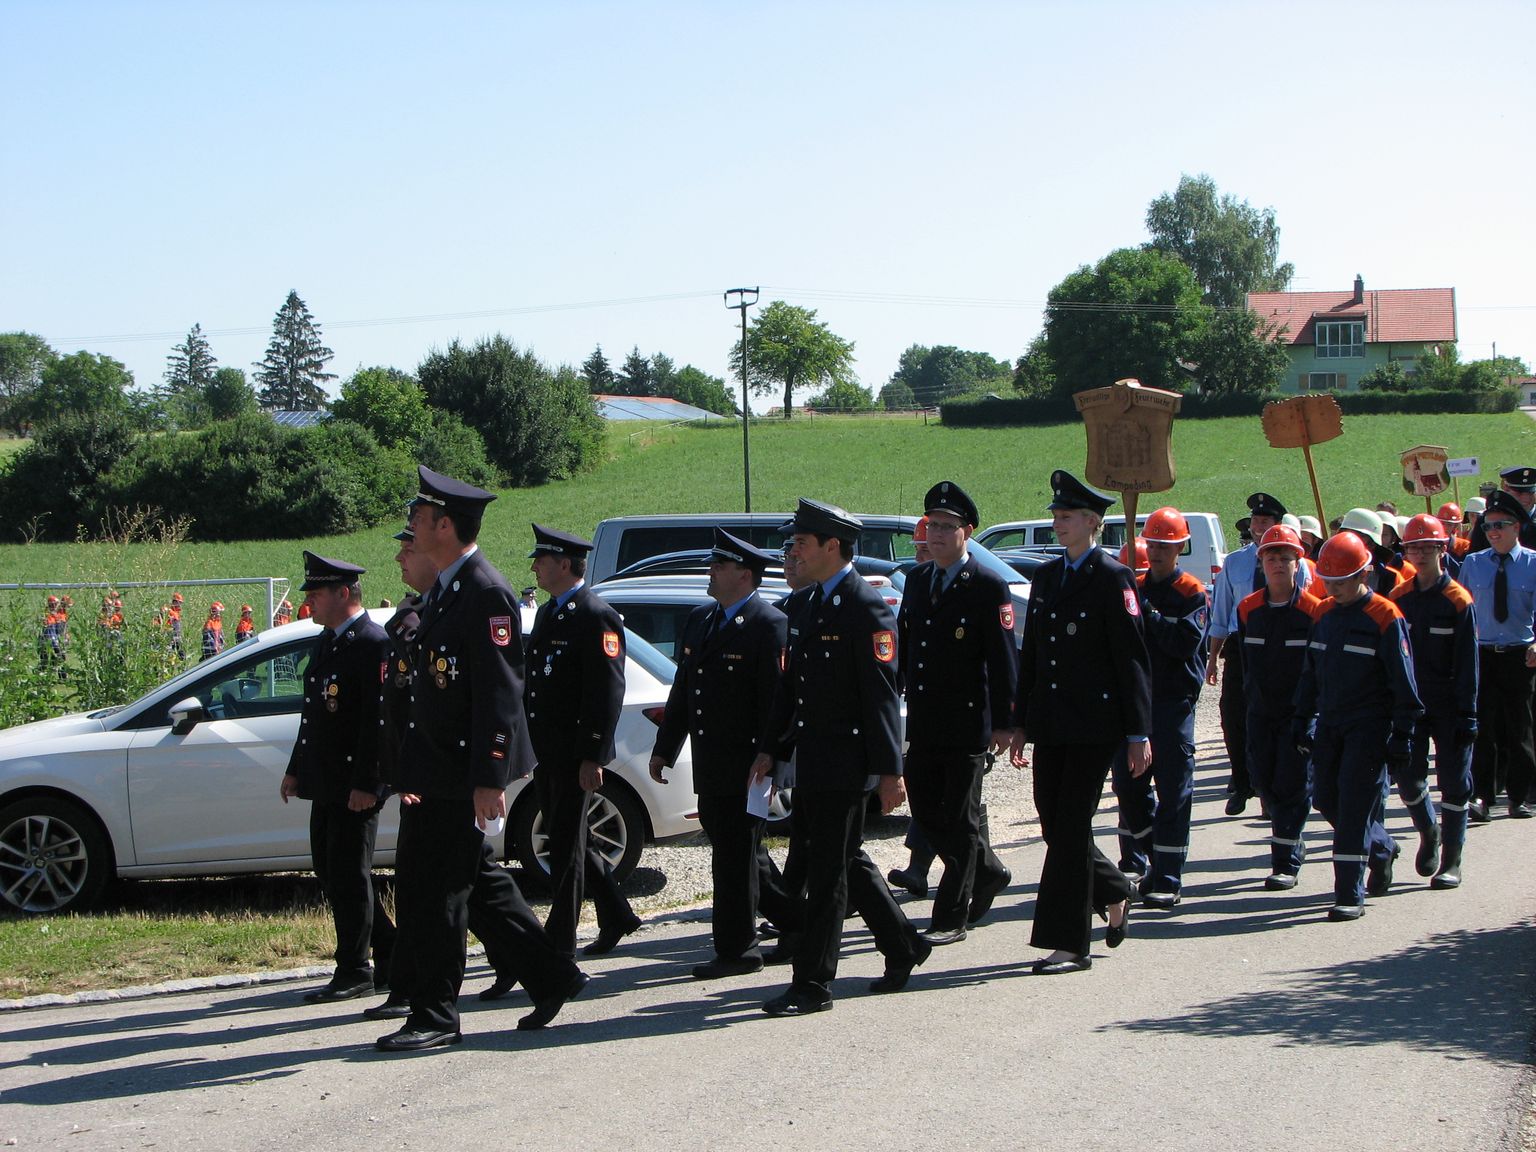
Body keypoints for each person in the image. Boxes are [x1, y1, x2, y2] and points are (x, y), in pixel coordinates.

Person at [381, 467, 587, 1052]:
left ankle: (436, 1016)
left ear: (445, 526)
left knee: (438, 893)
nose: (411, 528)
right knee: (479, 887)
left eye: (419, 519)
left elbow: (500, 692)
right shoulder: (448, 588)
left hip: (461, 772)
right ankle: (553, 975)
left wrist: (489, 777)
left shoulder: (484, 590)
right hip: (436, 768)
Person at [751, 498, 931, 1014]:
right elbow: (792, 688)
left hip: (847, 762)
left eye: (802, 544)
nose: (794, 553)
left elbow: (881, 697)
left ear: (832, 546)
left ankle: (812, 984)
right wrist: (770, 748)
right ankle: (904, 944)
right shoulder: (809, 603)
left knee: (829, 873)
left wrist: (890, 772)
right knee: (844, 859)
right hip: (814, 757)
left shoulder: (865, 606)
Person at [1009, 472, 1151, 973]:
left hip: (1095, 723)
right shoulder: (1048, 577)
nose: (1058, 523)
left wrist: (1138, 732)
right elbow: (1032, 655)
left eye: (1067, 516)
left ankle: (1070, 943)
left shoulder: (1113, 577)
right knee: (1054, 821)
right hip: (1051, 721)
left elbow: (1132, 659)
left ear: (1093, 522)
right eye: (1056, 515)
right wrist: (1020, 721)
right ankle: (1114, 889)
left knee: (1070, 825)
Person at [649, 529, 793, 978]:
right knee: (744, 855)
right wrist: (664, 748)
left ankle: (738, 950)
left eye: (720, 566)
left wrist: (770, 755)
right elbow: (684, 690)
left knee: (733, 859)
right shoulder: (701, 619)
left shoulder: (768, 624)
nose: (710, 572)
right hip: (711, 762)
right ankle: (800, 924)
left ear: (744, 575)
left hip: (749, 765)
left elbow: (777, 701)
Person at [279, 551, 395, 1004]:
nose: (309, 602)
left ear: (343, 593)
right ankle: (389, 950)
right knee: (332, 872)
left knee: (349, 875)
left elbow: (379, 723)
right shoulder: (329, 641)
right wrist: (295, 769)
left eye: (316, 593)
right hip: (326, 781)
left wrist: (370, 784)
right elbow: (314, 715)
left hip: (355, 784)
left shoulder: (372, 644)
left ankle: (354, 968)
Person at [525, 523, 642, 958]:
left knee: (566, 848)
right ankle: (616, 914)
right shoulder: (549, 612)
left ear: (564, 564)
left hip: (575, 753)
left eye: (541, 560)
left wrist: (593, 755)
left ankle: (560, 943)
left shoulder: (595, 615)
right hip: (547, 750)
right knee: (570, 838)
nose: (535, 568)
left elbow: (606, 691)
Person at [1293, 532, 1423, 921]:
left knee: (1352, 808)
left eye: (1340, 582)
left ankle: (1349, 894)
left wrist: (1402, 735)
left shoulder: (1386, 616)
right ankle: (1381, 847)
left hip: (1369, 726)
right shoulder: (1323, 614)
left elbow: (1404, 682)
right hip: (1330, 723)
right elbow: (1310, 672)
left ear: (1363, 575)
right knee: (1325, 798)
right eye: (1328, 581)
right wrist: (1302, 718)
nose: (1332, 589)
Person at [1111, 507, 1207, 908]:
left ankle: (1168, 877)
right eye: (1152, 544)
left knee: (1173, 790)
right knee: (1128, 788)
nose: (1157, 551)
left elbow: (1183, 644)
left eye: (1165, 546)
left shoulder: (1192, 592)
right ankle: (1156, 857)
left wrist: (1148, 614)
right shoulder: (1134, 586)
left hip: (1173, 702)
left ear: (1180, 547)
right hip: (1136, 703)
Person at [1208, 493, 1311, 815]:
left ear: (1277, 524)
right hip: (1242, 643)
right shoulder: (1235, 562)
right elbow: (1222, 611)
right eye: (1254, 521)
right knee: (1233, 714)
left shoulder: (1294, 561)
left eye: (1264, 521)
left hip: (1283, 639)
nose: (1257, 526)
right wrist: (1212, 658)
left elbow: (1305, 603)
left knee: (1275, 714)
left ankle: (1271, 790)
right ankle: (1242, 783)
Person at [1390, 514, 1479, 887]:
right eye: (1415, 547)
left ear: (1443, 549)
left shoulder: (1458, 600)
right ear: (1406, 551)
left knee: (1454, 783)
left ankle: (1452, 860)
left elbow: (1469, 663)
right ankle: (1429, 831)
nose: (1421, 553)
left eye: (1429, 547)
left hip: (1450, 704)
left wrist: (1468, 714)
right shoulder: (1398, 598)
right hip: (1411, 704)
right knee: (1408, 779)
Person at [1235, 525, 1324, 889]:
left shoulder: (1314, 611)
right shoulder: (1248, 609)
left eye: (1285, 558)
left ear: (1297, 563)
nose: (1277, 564)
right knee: (1263, 782)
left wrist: (1311, 714)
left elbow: (1318, 668)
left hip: (1297, 713)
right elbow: (1245, 664)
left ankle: (1285, 861)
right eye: (1271, 557)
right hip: (1260, 712)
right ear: (1261, 562)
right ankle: (1290, 841)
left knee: (1292, 784)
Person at [1459, 489, 1536, 822]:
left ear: (1516, 527)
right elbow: (1462, 610)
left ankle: (1518, 797)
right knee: (1483, 728)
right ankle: (1482, 796)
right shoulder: (1474, 564)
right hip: (1484, 654)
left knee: (1520, 728)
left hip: (1520, 655)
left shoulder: (1533, 563)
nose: (1493, 532)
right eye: (1488, 526)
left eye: (1500, 525)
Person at [888, 514, 936, 897]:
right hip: (922, 704)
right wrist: (897, 686)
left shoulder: (974, 583)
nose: (919, 556)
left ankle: (921, 868)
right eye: (917, 549)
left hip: (962, 712)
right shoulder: (917, 582)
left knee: (951, 799)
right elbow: (905, 638)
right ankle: (982, 864)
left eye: (924, 549)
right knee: (925, 787)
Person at [1466, 466, 1536, 552]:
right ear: (1506, 490)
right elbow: (1476, 555)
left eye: (1530, 493)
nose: (1526, 498)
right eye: (1519, 493)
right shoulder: (1487, 521)